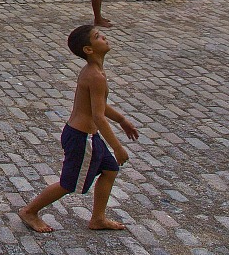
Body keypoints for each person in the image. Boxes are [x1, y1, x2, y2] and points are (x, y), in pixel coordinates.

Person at [18, 24, 140, 233]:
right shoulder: (95, 76)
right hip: (83, 139)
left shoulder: (95, 72)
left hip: (85, 136)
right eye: (97, 36)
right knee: (69, 183)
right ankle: (30, 211)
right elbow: (98, 117)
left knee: (110, 170)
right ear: (88, 49)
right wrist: (118, 147)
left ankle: (98, 218)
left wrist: (121, 120)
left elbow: (98, 104)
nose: (104, 37)